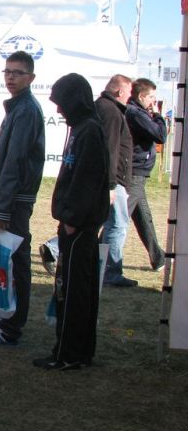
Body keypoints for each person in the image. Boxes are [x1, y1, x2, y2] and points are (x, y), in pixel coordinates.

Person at [33, 73, 108, 371]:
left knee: (72, 291)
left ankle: (67, 353)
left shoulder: (89, 131)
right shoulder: (82, 128)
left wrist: (72, 219)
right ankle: (80, 350)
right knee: (79, 289)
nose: (58, 110)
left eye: (62, 103)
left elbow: (88, 179)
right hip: (76, 222)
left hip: (79, 224)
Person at [0, 51, 45, 345]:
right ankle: (3, 316)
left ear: (31, 78)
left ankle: (11, 326)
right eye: (7, 72)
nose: (11, 78)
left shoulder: (26, 109)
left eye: (17, 73)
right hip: (10, 197)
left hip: (14, 200)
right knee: (6, 262)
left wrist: (2, 208)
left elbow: (15, 162)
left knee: (14, 262)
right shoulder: (18, 107)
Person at [95, 74, 135, 287]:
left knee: (100, 219)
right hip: (113, 179)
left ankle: (54, 249)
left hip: (113, 178)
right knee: (117, 224)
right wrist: (112, 184)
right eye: (129, 92)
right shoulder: (110, 111)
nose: (130, 96)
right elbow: (110, 149)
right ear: (120, 91)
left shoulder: (106, 108)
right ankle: (111, 271)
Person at [126, 78, 167, 271]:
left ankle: (158, 258)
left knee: (144, 217)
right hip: (133, 173)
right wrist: (158, 115)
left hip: (139, 174)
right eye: (151, 97)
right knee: (114, 219)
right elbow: (160, 135)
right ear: (142, 96)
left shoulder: (139, 112)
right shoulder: (136, 113)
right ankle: (56, 247)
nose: (153, 100)